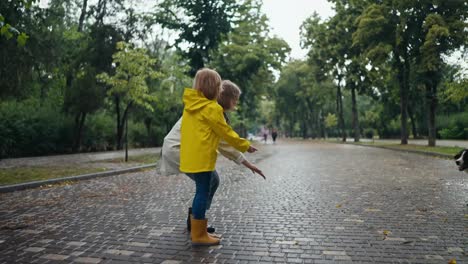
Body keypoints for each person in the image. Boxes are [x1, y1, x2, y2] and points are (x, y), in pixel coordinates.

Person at [160, 80, 265, 237]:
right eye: (235, 100)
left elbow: (224, 144)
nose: (236, 104)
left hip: (178, 149)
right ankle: (198, 227)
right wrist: (247, 156)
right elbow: (226, 142)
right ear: (226, 97)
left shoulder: (207, 108)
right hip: (180, 149)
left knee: (211, 181)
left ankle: (196, 219)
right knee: (207, 183)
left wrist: (248, 164)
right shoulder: (209, 111)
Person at [179, 68, 258, 246]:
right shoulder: (212, 108)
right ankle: (198, 235)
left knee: (201, 191)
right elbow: (227, 133)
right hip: (203, 160)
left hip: (189, 157)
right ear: (215, 88)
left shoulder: (190, 107)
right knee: (202, 192)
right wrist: (245, 145)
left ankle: (198, 230)